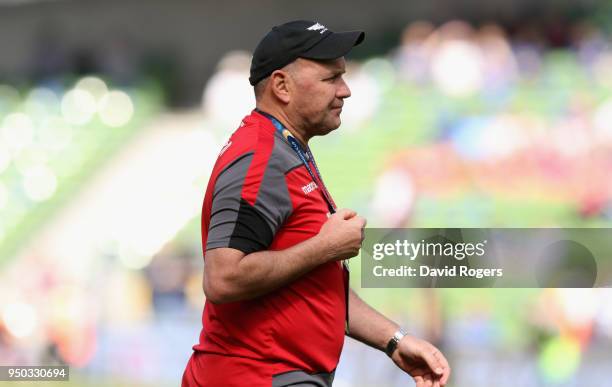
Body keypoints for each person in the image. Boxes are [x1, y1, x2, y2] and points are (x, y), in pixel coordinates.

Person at [183, 20, 451, 387]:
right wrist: (324, 246)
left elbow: (316, 287)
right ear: (281, 86)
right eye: (331, 78)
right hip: (254, 375)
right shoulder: (259, 155)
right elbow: (223, 277)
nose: (346, 90)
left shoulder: (287, 149)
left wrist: (394, 341)